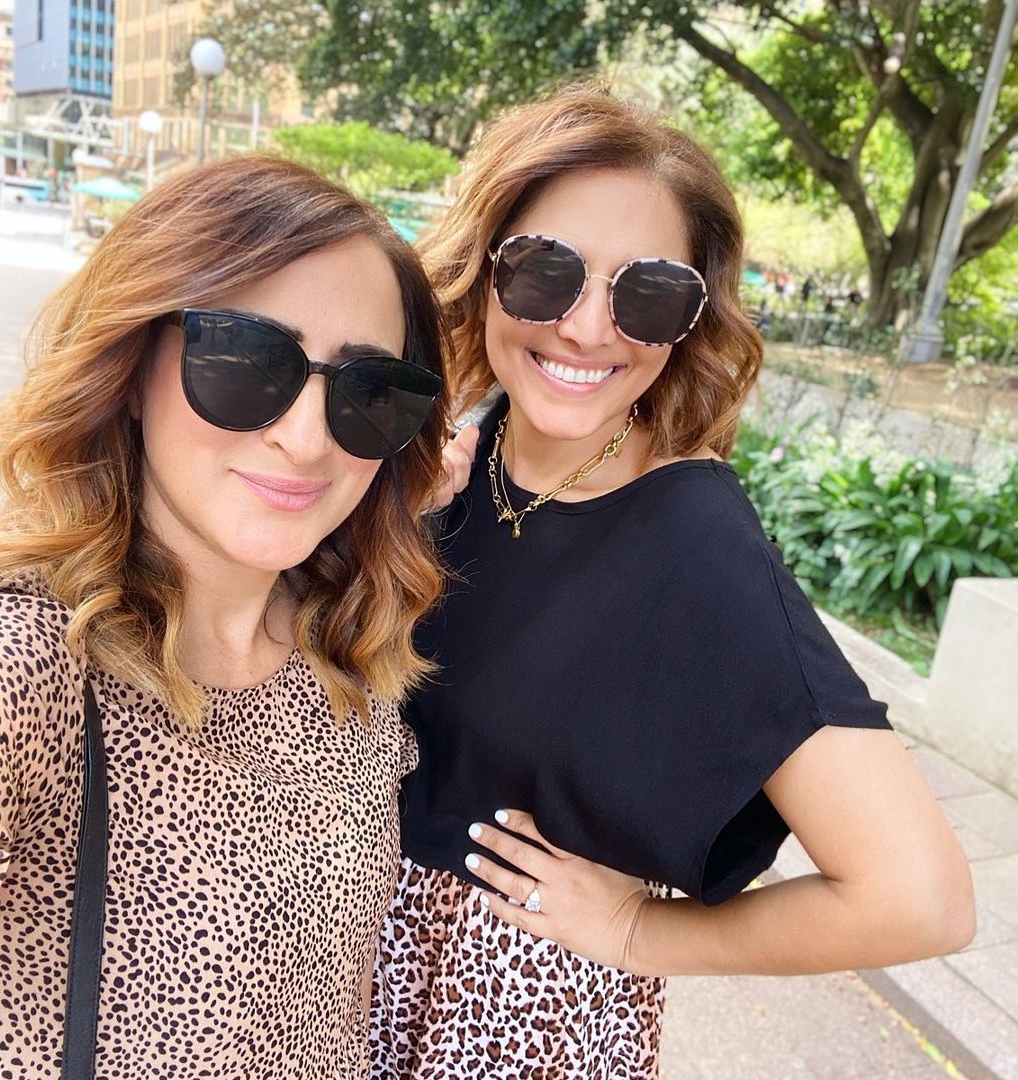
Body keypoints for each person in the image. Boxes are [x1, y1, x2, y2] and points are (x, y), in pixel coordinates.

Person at [371, 87, 974, 1077]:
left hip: (498, 1026)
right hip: (341, 982)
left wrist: (641, 934)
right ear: (483, 272)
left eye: (647, 294)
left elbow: (920, 898)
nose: (585, 328)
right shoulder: (448, 460)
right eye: (545, 271)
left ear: (691, 320)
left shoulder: (693, 540)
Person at [0, 155, 448, 1076]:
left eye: (369, 392)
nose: (306, 437)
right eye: (247, 361)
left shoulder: (352, 666)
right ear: (132, 370)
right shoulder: (14, 665)